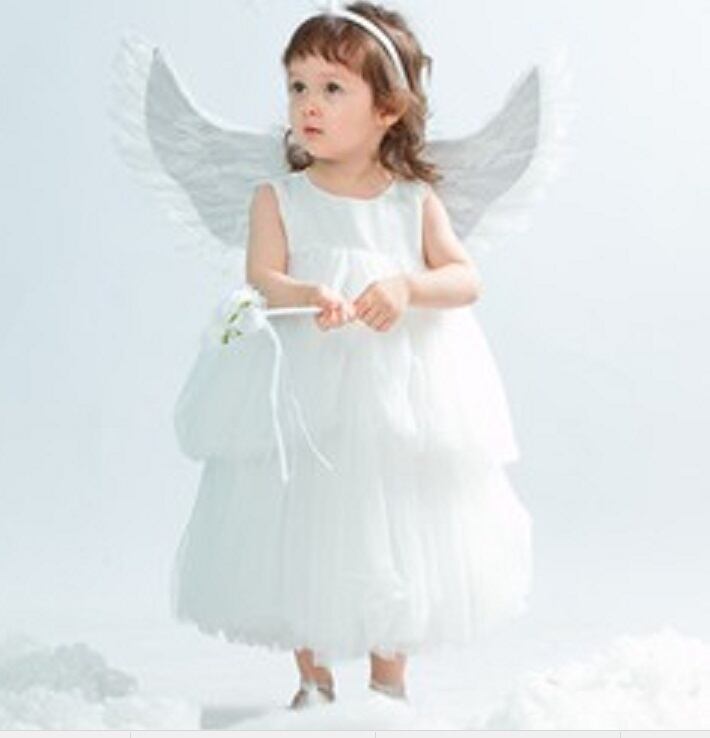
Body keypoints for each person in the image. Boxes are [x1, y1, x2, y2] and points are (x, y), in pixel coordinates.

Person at [169, 1, 533, 710]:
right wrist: (306, 291)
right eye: (297, 86)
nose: (308, 104)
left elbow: (465, 279)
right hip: (306, 385)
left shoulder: (412, 201)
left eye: (332, 88)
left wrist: (407, 285)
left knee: (394, 515)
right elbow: (262, 278)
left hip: (399, 392)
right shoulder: (278, 197)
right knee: (301, 511)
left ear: (387, 109)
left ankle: (388, 683)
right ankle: (314, 680)